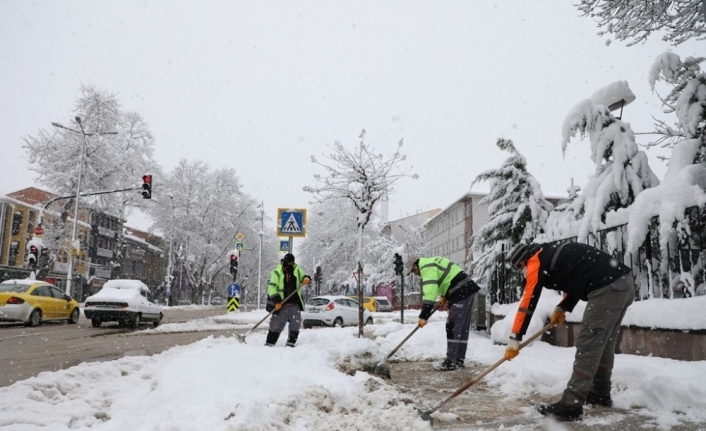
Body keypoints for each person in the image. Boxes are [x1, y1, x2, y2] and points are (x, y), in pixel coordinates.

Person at [504, 242, 635, 422]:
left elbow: (528, 301)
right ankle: (600, 394)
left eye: (520, 267)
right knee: (603, 343)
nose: (522, 271)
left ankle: (571, 405)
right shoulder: (549, 254)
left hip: (607, 288)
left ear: (525, 259)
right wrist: (563, 307)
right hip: (623, 283)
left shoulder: (536, 260)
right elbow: (578, 276)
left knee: (588, 344)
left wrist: (515, 338)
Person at [408, 255, 481, 371]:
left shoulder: (426, 267)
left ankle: (451, 361)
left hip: (460, 291)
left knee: (452, 326)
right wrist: (444, 297)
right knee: (461, 328)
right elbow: (448, 278)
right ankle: (458, 359)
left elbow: (429, 294)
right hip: (466, 289)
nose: (415, 273)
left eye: (413, 270)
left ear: (417, 264)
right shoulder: (431, 262)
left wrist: (424, 316)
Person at [265, 253, 310, 347]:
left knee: (295, 325)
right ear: (285, 262)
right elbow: (272, 288)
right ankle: (270, 343)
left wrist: (306, 278)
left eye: (292, 263)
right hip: (281, 305)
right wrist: (277, 301)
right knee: (276, 326)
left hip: (294, 304)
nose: (291, 265)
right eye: (289, 263)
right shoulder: (277, 272)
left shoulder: (297, 270)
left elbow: (304, 276)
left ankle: (291, 343)